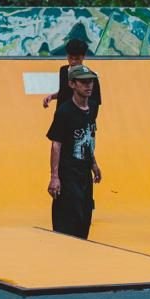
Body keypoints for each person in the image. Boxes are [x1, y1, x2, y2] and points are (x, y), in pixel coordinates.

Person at [46, 64, 102, 238]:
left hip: (84, 170)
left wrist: (94, 163)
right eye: (83, 82)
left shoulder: (92, 107)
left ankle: (81, 248)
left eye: (91, 82)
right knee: (69, 212)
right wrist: (54, 177)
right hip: (68, 171)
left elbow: (88, 137)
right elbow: (56, 144)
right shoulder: (65, 111)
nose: (88, 86)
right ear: (72, 84)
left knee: (85, 213)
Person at [42, 38, 102, 113]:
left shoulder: (91, 77)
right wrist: (52, 96)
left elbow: (95, 103)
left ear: (83, 57)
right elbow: (64, 92)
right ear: (67, 56)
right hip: (61, 116)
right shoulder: (63, 70)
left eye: (77, 59)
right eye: (70, 58)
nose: (73, 62)